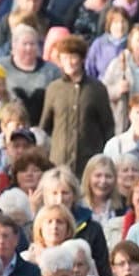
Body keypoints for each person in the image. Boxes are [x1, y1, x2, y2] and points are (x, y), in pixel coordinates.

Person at [42, 35, 116, 175]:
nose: (69, 62)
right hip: (59, 162)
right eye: (64, 58)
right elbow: (45, 126)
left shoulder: (97, 88)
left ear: (82, 59)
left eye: (73, 57)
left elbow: (108, 127)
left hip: (89, 162)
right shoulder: (53, 89)